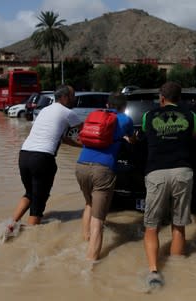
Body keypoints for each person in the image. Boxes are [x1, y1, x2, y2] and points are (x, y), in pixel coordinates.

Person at [141, 82, 196, 287]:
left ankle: (154, 272)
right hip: (183, 171)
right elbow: (194, 137)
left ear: (162, 98)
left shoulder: (148, 116)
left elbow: (145, 137)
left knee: (151, 226)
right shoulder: (191, 115)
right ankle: (177, 270)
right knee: (179, 224)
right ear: (180, 98)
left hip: (156, 172)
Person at [7, 85, 82, 232]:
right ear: (65, 97)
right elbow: (88, 131)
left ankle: (10, 225)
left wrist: (81, 146)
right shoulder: (68, 113)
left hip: (24, 155)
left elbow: (61, 138)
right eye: (73, 96)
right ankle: (30, 240)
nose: (75, 99)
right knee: (38, 204)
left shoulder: (44, 110)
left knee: (30, 193)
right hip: (42, 159)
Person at [75, 93, 135, 261]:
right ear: (124, 107)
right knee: (98, 220)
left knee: (89, 204)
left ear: (108, 105)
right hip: (103, 170)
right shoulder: (125, 120)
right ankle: (90, 264)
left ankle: (84, 240)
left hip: (81, 166)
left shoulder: (94, 115)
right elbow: (133, 140)